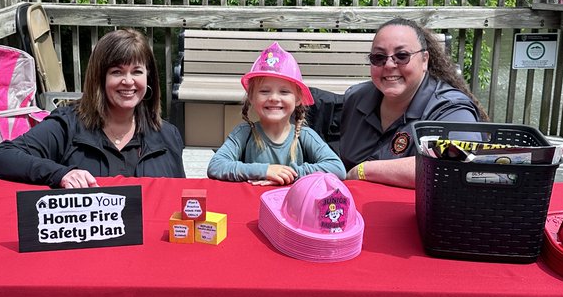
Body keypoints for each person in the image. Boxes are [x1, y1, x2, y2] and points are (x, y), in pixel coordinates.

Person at [0, 28, 184, 188]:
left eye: (137, 71)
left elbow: (180, 200)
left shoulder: (168, 135)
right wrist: (61, 174)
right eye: (117, 72)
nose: (128, 81)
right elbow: (0, 158)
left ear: (148, 78)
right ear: (99, 78)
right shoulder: (67, 125)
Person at [339, 17, 486, 188]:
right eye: (378, 57)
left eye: (402, 56)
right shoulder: (356, 98)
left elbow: (462, 162)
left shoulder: (451, 109)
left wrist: (363, 170)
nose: (388, 64)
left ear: (424, 60)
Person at [207, 42, 345, 183]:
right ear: (251, 97)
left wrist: (290, 174)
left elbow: (337, 168)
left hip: (293, 204)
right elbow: (216, 166)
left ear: (298, 99)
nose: (273, 98)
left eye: (284, 92)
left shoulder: (304, 135)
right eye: (264, 91)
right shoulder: (244, 133)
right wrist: (265, 171)